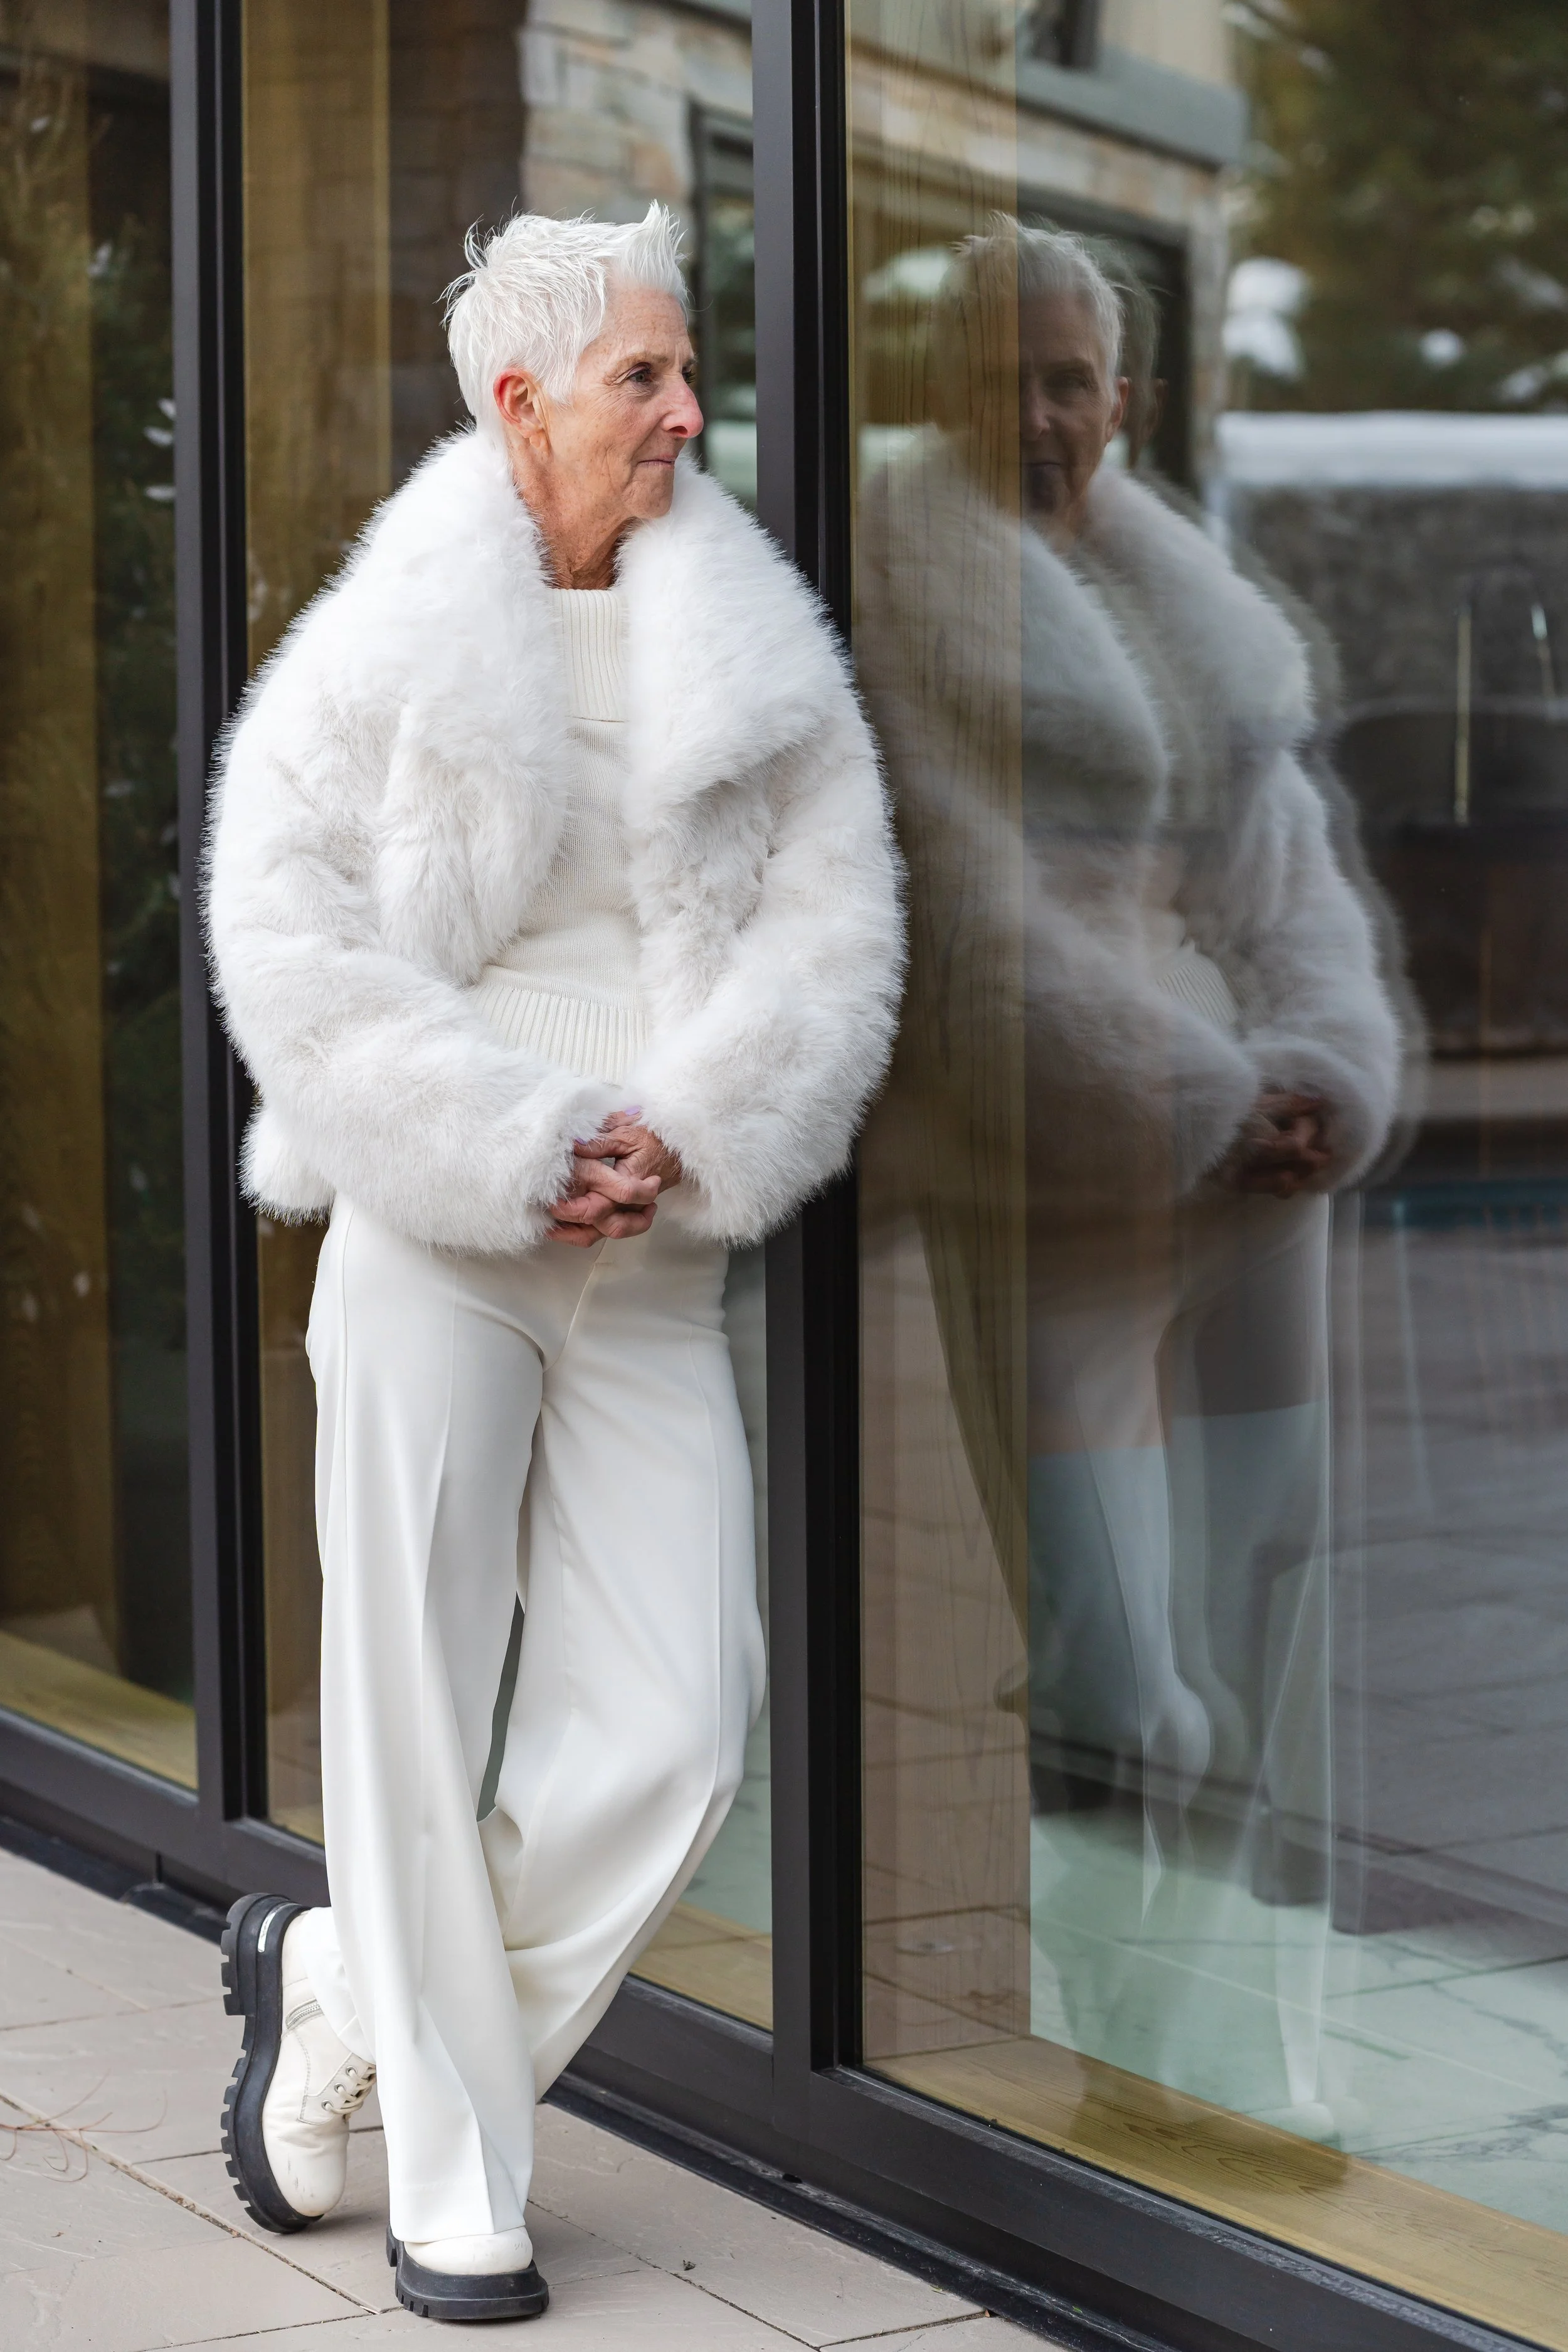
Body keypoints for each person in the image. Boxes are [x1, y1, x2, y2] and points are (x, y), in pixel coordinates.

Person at [206, 206, 903, 2324]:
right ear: (521, 406)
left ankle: (338, 1986)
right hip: (441, 1215)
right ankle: (452, 2182)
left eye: (684, 374)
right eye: (643, 380)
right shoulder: (384, 640)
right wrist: (504, 1137)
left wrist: (678, 1133)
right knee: (414, 1707)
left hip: (660, 1221)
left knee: (686, 1721)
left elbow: (833, 934)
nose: (688, 410)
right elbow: (288, 929)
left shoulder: (755, 649)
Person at [857, 221, 1399, 2131]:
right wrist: (1201, 1084)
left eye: (1067, 377)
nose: (1035, 413)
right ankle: (1124, 2061)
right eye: (994, 374)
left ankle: (1246, 2062)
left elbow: (1292, 881)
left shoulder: (1192, 602)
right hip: (1065, 1176)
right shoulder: (897, 593)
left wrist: (1322, 1068)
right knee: (1107, 1660)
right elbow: (966, 922)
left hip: (1251, 1175)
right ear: (935, 392)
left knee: (1263, 1626)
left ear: (1125, 397)